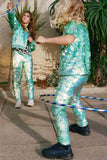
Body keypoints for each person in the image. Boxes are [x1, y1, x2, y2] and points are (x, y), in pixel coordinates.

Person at [36, 0, 91, 159]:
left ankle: (64, 146)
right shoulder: (82, 26)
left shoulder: (71, 26)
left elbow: (68, 40)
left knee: (58, 107)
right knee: (74, 98)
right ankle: (83, 126)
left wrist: (45, 40)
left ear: (67, 10)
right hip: (82, 73)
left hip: (72, 74)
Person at [7, 3, 36, 108]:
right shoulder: (16, 26)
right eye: (24, 15)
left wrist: (32, 42)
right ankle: (18, 100)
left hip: (27, 56)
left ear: (30, 20)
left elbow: (32, 48)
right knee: (17, 78)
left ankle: (30, 99)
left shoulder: (30, 32)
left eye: (28, 16)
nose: (25, 17)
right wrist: (10, 10)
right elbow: (12, 18)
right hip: (17, 55)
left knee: (29, 78)